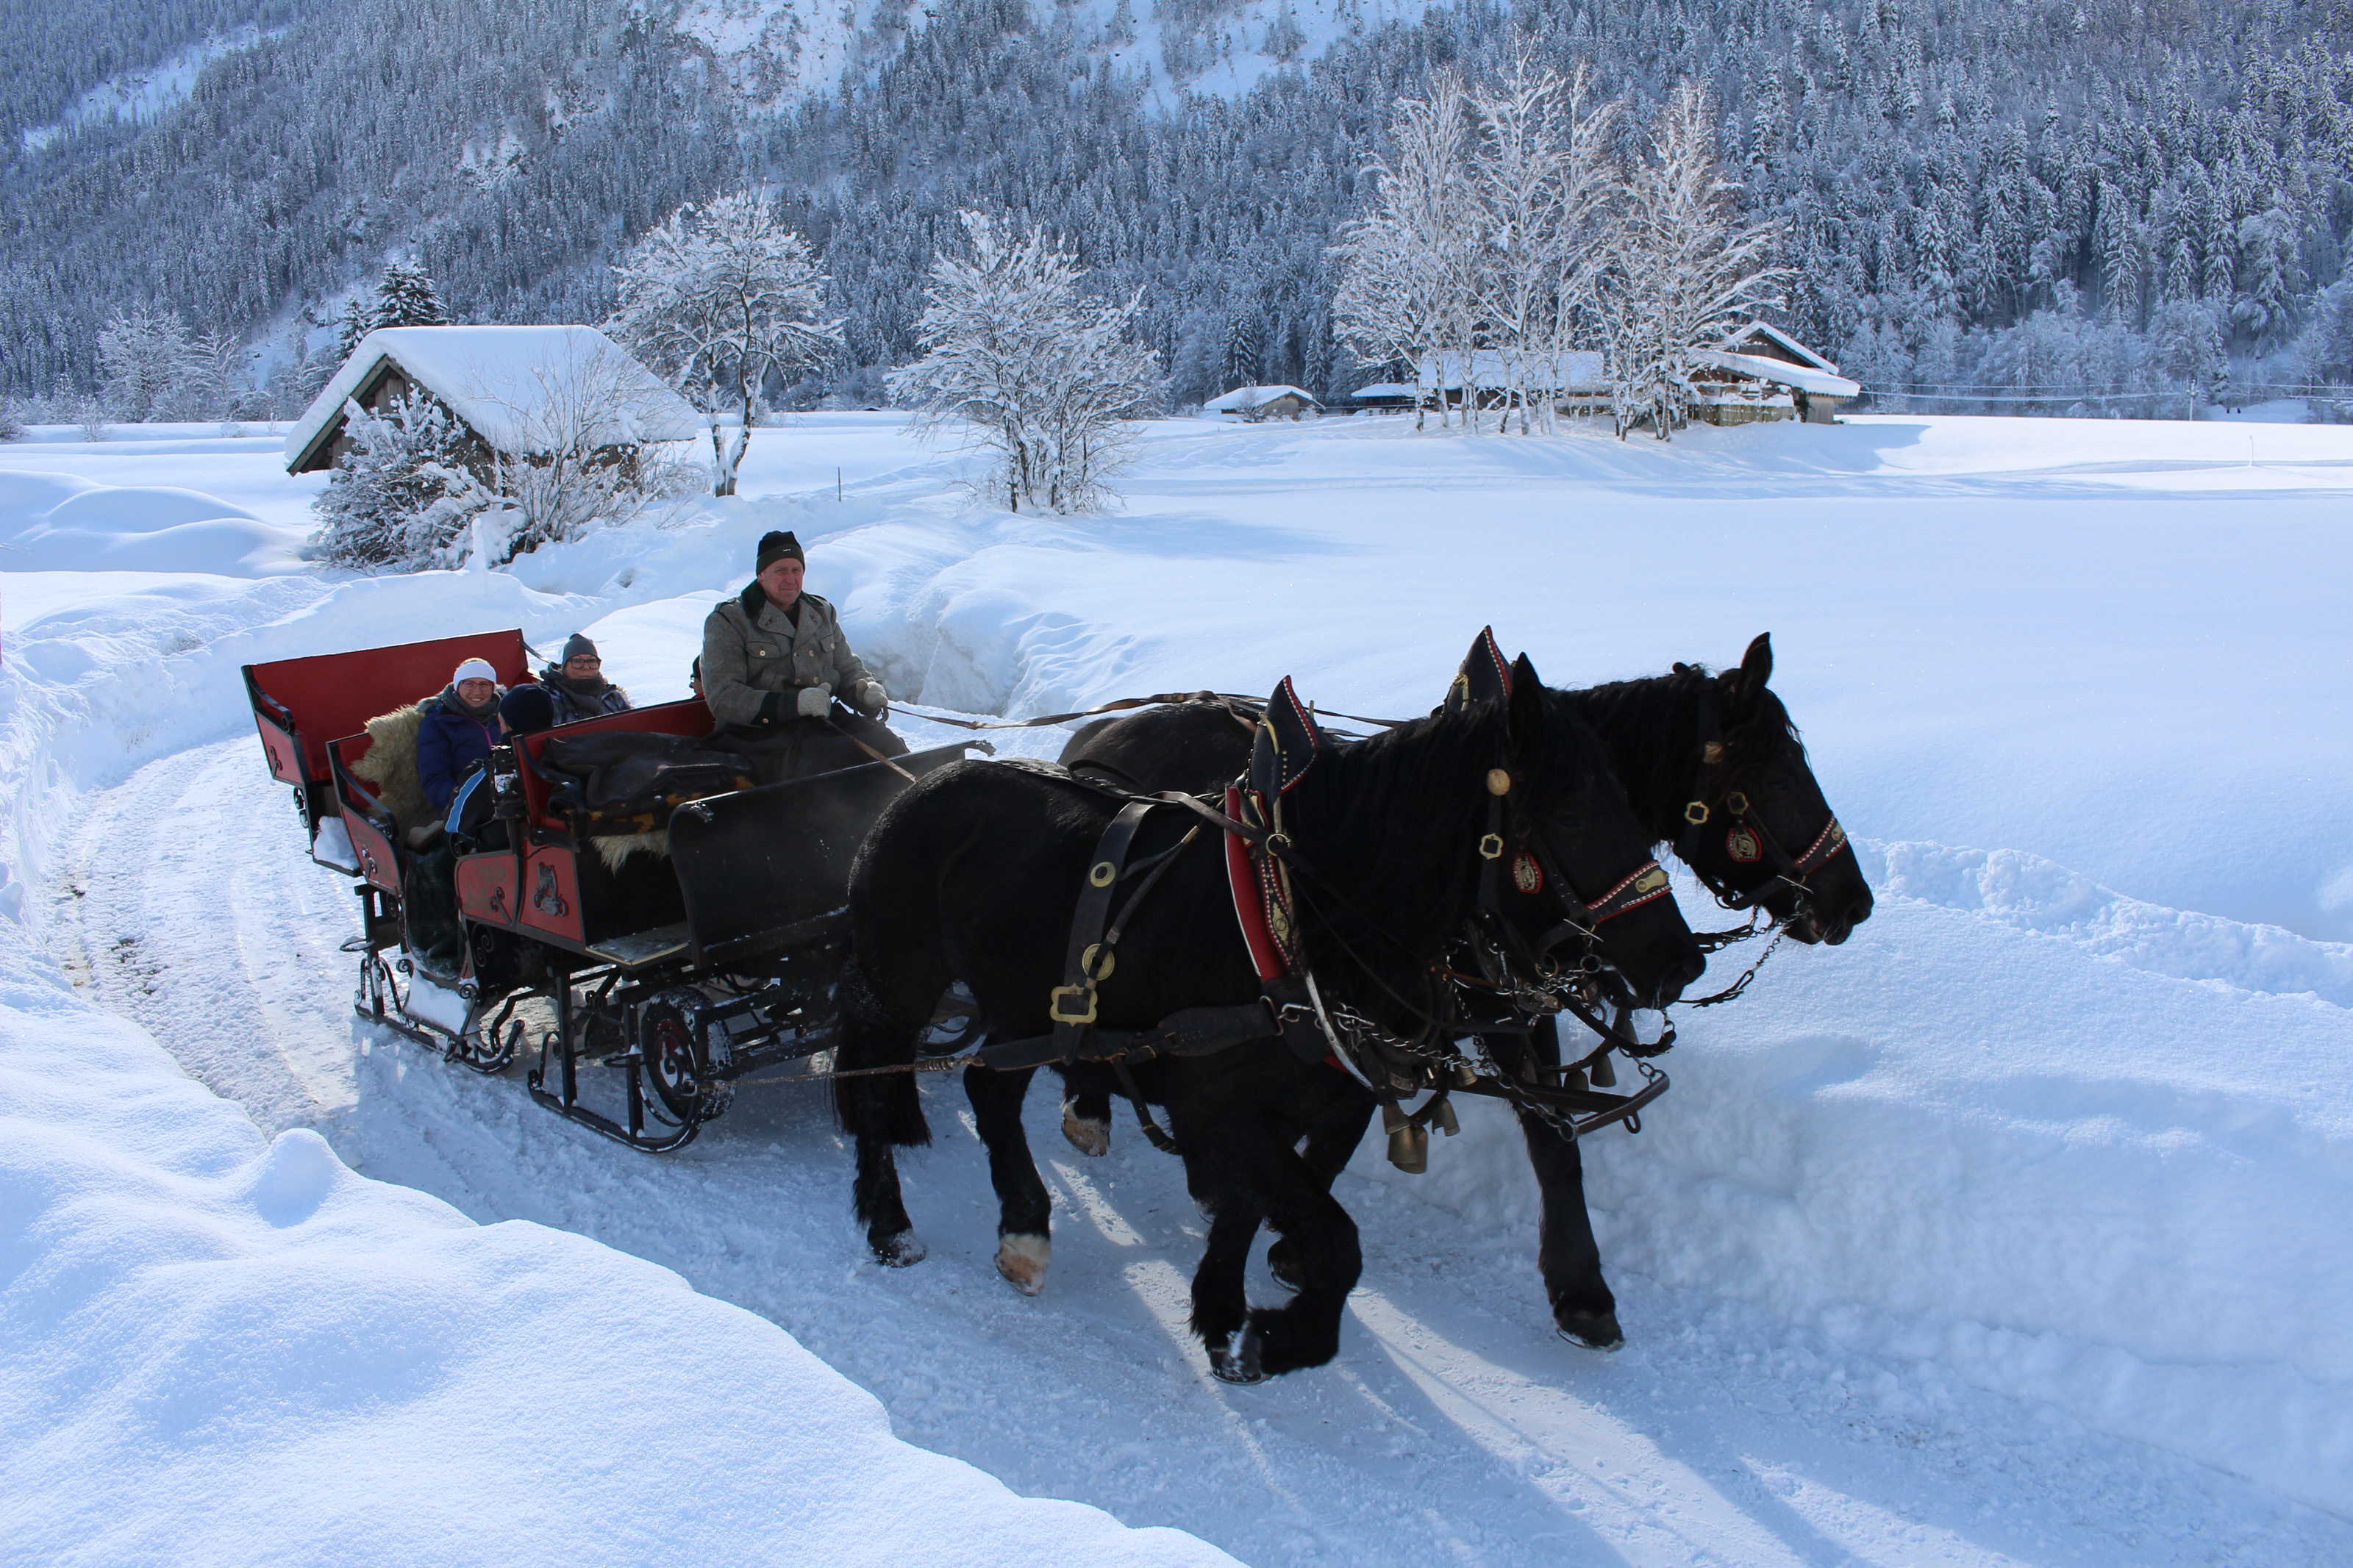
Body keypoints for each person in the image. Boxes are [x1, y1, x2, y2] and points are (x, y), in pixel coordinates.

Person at [700, 530, 904, 781]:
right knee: (827, 766)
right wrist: (794, 705)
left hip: (820, 722)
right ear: (761, 574)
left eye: (796, 570)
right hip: (758, 734)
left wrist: (863, 690)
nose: (790, 579)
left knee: (890, 747)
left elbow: (846, 667)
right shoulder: (729, 620)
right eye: (780, 570)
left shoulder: (821, 612)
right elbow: (724, 697)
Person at [416, 657, 504, 815]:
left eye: (484, 684)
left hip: (509, 795)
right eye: (469, 684)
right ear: (457, 686)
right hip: (466, 804)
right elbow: (435, 779)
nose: (477, 692)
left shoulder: (505, 712)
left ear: (493, 688)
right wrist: (465, 802)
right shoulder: (438, 722)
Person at [538, 633, 632, 725]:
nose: (586, 667)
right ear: (564, 667)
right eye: (577, 661)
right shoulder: (547, 700)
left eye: (591, 661)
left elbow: (633, 726)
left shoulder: (612, 697)